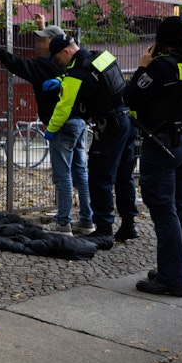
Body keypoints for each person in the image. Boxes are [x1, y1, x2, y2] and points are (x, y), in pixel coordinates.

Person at [0, 14, 94, 236]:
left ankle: (63, 223)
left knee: (63, 175)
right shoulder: (75, 61)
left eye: (42, 39)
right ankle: (86, 221)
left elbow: (18, 64)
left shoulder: (43, 65)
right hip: (80, 122)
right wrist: (43, 28)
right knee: (80, 172)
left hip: (62, 124)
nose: (37, 43)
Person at [125, 16, 182, 297]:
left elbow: (130, 96)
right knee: (179, 208)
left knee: (164, 212)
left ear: (161, 41)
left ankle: (172, 280)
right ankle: (177, 271)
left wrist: (142, 67)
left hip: (161, 147)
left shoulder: (160, 67)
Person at [44, 34, 138, 245]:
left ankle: (103, 230)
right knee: (124, 175)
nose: (58, 62)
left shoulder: (76, 74)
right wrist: (61, 80)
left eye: (58, 58)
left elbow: (63, 107)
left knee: (99, 177)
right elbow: (98, 81)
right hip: (126, 121)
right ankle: (129, 224)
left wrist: (51, 129)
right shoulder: (102, 56)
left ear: (66, 51)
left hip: (109, 126)